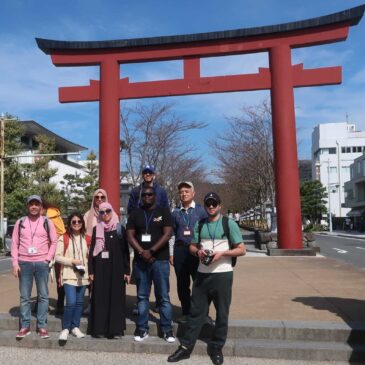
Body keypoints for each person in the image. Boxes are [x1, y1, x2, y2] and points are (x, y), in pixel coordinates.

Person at [168, 192, 246, 365]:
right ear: (204, 206)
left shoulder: (229, 223)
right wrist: (199, 252)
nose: (211, 206)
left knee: (222, 313)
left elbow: (241, 249)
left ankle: (216, 347)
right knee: (196, 312)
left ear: (220, 205)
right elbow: (192, 247)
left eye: (214, 203)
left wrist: (223, 253)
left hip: (223, 274)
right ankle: (186, 347)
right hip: (202, 274)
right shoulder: (200, 224)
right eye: (208, 204)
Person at [126, 186, 175, 343]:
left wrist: (152, 251)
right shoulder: (135, 213)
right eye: (144, 194)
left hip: (160, 260)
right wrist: (142, 252)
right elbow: (129, 235)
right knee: (142, 297)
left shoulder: (164, 212)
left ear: (155, 196)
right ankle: (142, 328)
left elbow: (167, 234)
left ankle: (167, 329)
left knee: (163, 297)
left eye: (150, 194)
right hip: (141, 262)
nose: (147, 196)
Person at [11, 195, 58, 339]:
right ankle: (25, 326)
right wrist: (15, 263)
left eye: (36, 204)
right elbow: (14, 243)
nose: (34, 207)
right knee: (25, 296)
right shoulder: (20, 222)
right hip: (24, 263)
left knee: (43, 296)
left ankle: (42, 326)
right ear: (27, 206)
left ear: (41, 207)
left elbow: (54, 241)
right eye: (31, 204)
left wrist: (47, 259)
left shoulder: (46, 222)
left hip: (41, 263)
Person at [88, 202, 130, 339]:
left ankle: (116, 330)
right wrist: (91, 271)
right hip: (100, 268)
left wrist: (127, 271)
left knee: (116, 298)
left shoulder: (119, 228)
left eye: (107, 211)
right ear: (99, 214)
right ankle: (99, 329)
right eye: (102, 212)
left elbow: (125, 252)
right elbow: (92, 251)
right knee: (100, 298)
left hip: (117, 268)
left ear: (112, 212)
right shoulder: (96, 229)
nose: (105, 214)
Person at [170, 181, 207, 323]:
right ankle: (186, 312)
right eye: (181, 192)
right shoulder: (175, 213)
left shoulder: (201, 211)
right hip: (179, 251)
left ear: (193, 193)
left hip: (197, 250)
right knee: (182, 283)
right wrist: (171, 253)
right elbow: (171, 235)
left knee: (200, 283)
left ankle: (202, 314)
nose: (183, 194)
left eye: (186, 191)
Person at [56, 213, 90, 342]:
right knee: (70, 302)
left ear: (82, 223)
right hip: (69, 275)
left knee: (80, 303)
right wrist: (72, 261)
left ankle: (75, 326)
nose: (76, 224)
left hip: (83, 276)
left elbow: (90, 257)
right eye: (74, 222)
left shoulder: (87, 238)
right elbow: (57, 257)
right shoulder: (64, 238)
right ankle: (65, 328)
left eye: (79, 221)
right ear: (70, 223)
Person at [42, 200, 66, 315]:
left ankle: (59, 304)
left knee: (58, 278)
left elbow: (61, 231)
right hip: (45, 250)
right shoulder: (51, 214)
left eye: (38, 205)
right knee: (43, 279)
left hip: (54, 250)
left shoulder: (51, 214)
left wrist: (50, 240)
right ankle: (47, 304)